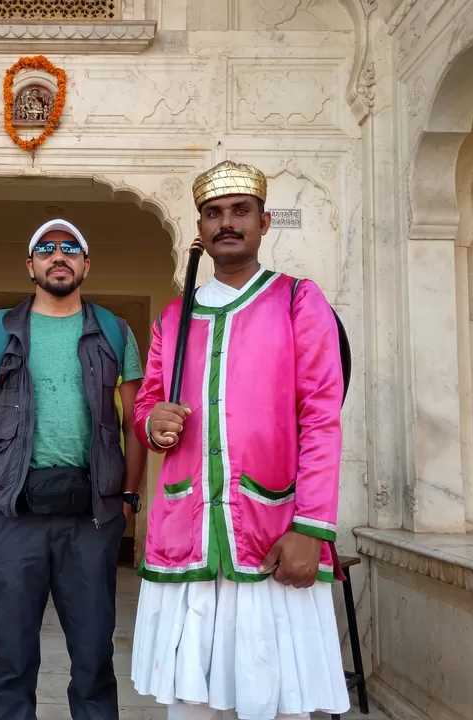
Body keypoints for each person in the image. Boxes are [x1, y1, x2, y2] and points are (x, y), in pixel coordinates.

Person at [129, 161, 351, 720]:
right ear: (200, 228)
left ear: (263, 222)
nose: (227, 223)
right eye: (214, 213)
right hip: (192, 534)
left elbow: (321, 417)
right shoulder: (175, 317)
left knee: (274, 698)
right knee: (192, 697)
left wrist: (310, 528)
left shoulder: (298, 299)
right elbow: (147, 405)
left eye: (240, 211)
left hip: (274, 531)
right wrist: (153, 422)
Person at [0, 218, 147, 720]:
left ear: (86, 264)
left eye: (69, 248)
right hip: (11, 514)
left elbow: (137, 416)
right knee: (12, 660)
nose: (57, 256)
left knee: (93, 659)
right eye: (46, 249)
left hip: (92, 517)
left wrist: (127, 499)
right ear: (30, 265)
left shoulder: (113, 330)